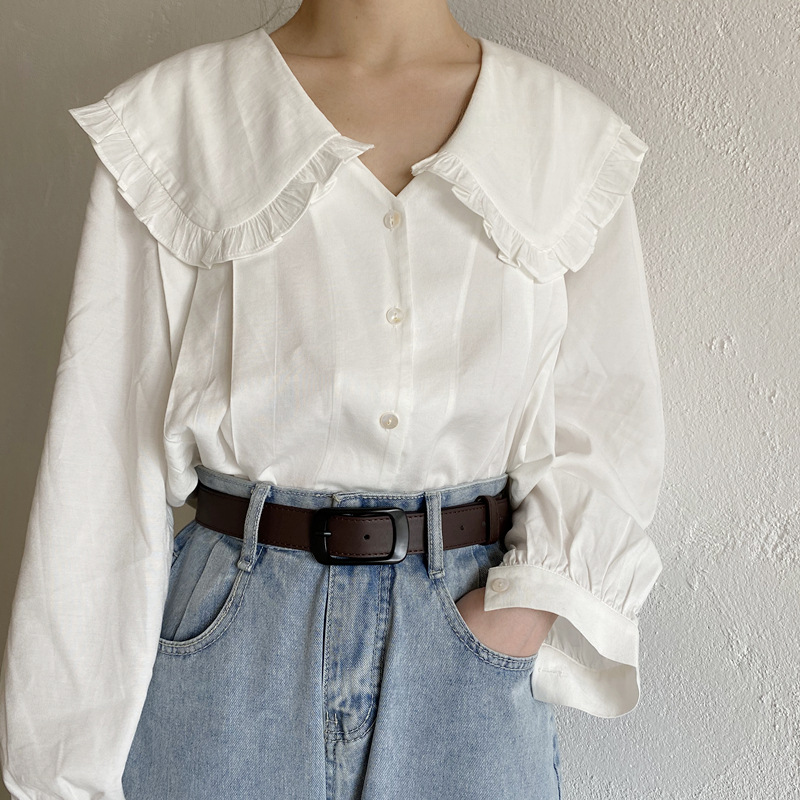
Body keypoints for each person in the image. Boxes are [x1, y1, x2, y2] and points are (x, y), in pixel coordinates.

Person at [0, 1, 665, 798]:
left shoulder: (564, 138)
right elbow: (98, 475)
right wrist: (57, 775)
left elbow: (606, 428)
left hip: (467, 633)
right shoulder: (178, 122)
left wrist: (518, 616)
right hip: (232, 646)